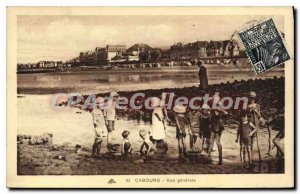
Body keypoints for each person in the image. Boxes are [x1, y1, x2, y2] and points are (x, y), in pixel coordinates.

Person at [247, 91, 262, 161]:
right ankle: (248, 156)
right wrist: (249, 111)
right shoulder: (246, 105)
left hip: (255, 124)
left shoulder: (258, 106)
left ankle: (251, 155)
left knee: (253, 140)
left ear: (254, 99)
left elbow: (259, 116)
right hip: (249, 124)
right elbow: (244, 115)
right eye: (250, 98)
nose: (251, 99)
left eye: (253, 98)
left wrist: (256, 111)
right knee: (248, 140)